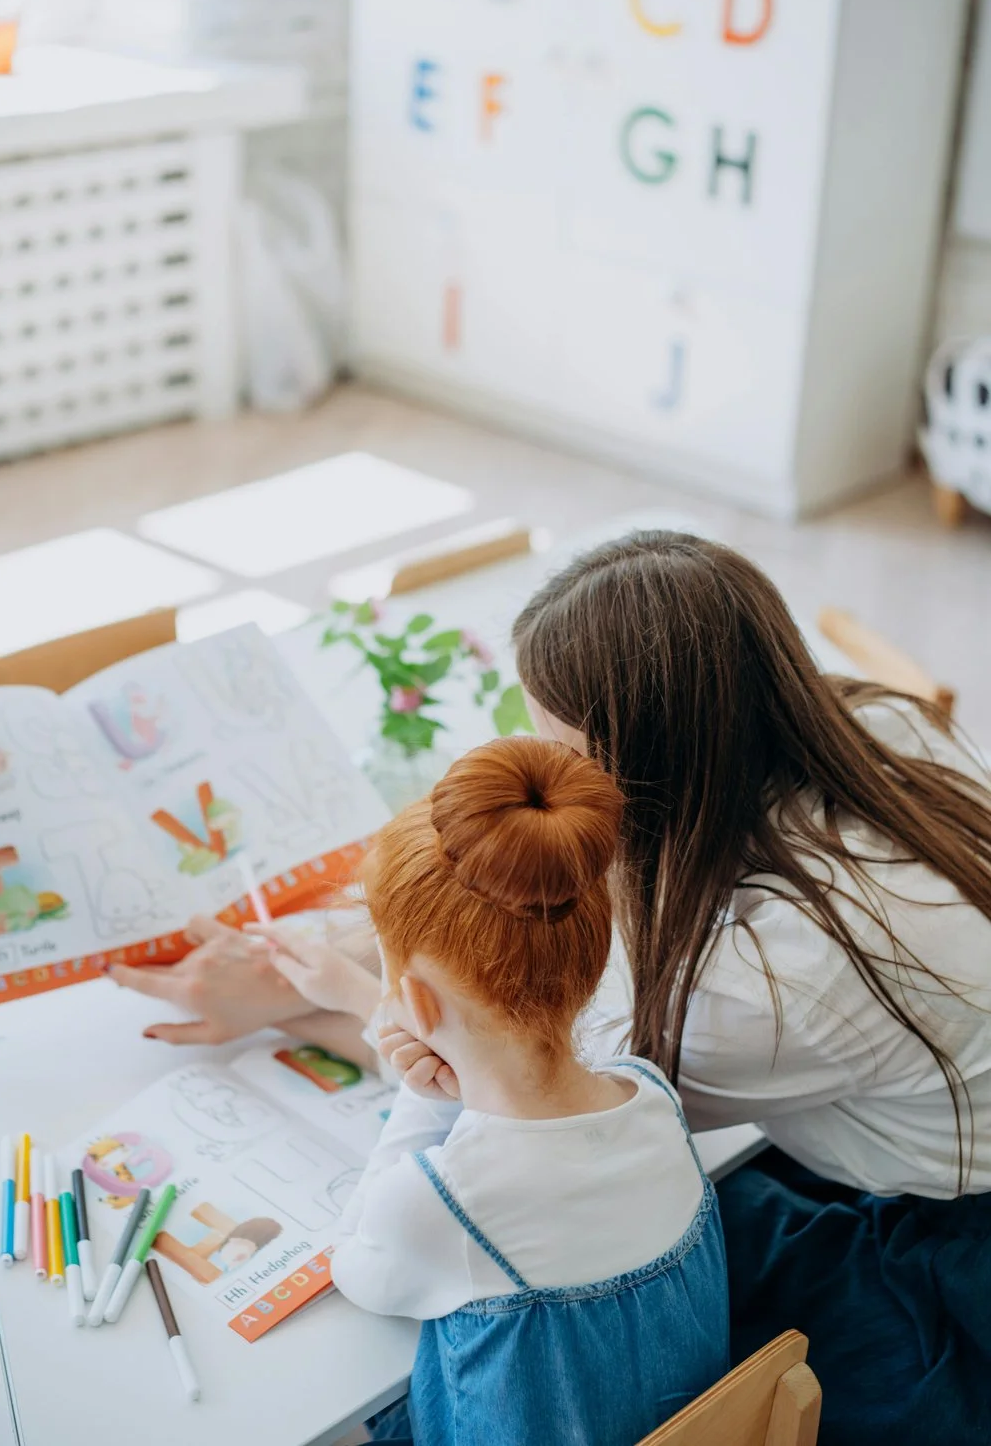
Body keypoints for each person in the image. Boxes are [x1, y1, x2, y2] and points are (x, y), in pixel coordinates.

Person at [111, 530, 991, 1445]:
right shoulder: (875, 724)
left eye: (562, 749)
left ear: (658, 769)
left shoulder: (769, 984)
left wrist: (321, 999)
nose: (547, 771)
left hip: (944, 1264)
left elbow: (526, 1062)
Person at [288, 736, 727, 1446]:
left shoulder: (436, 1203)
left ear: (414, 1004)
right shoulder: (655, 1098)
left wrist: (424, 1095)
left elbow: (356, 1259)